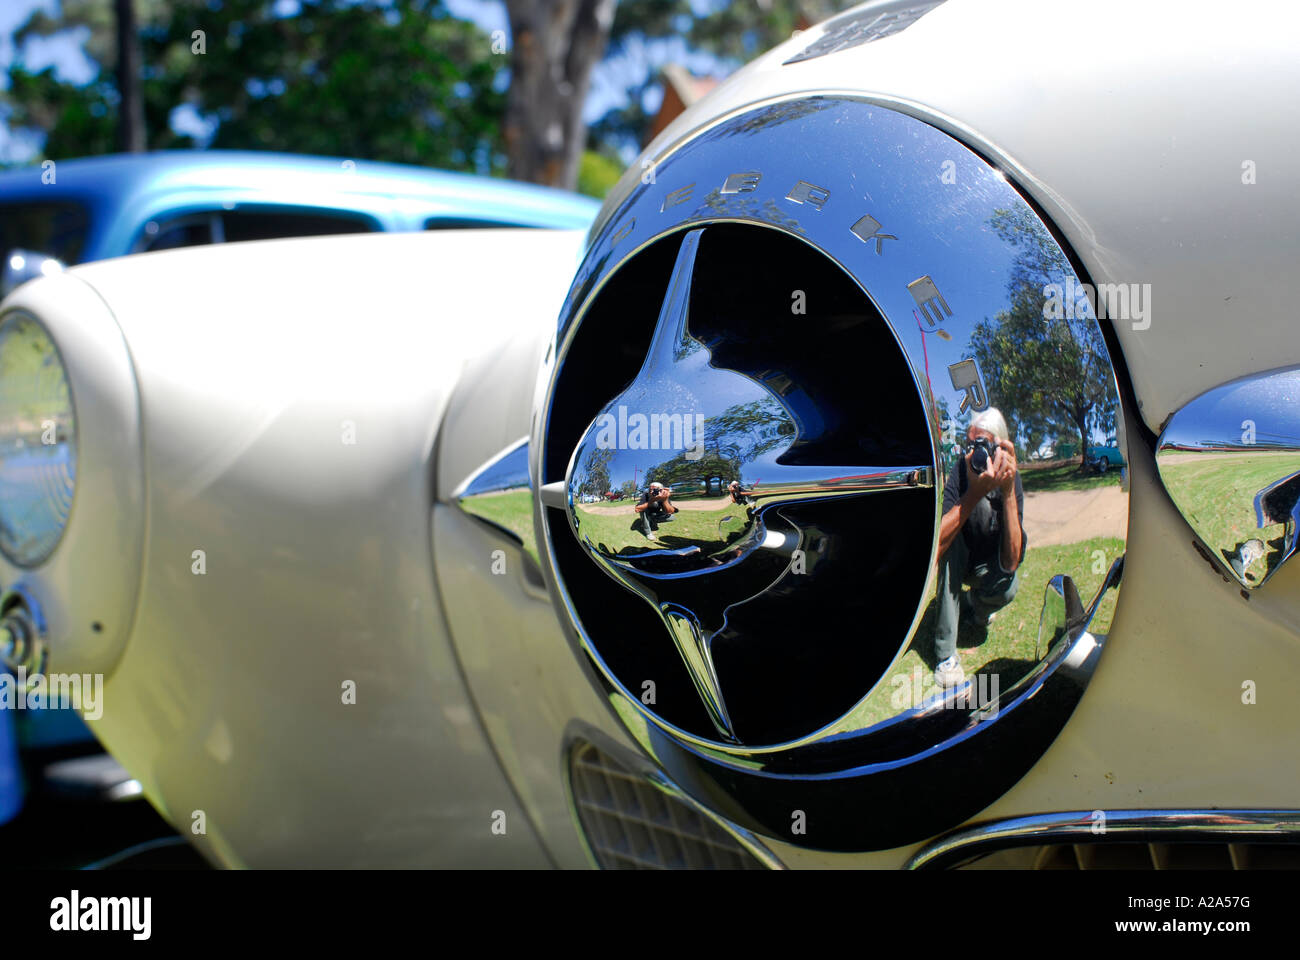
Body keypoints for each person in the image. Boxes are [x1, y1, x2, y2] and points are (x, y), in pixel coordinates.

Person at [932, 408, 1026, 688]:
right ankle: (945, 654)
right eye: (970, 444)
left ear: (1001, 446)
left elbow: (1011, 562)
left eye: (982, 444)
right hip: (960, 562)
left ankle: (977, 609)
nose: (975, 453)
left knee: (1010, 585)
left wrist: (1007, 491)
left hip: (986, 566)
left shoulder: (1012, 477)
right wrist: (972, 494)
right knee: (951, 542)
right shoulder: (961, 470)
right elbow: (935, 549)